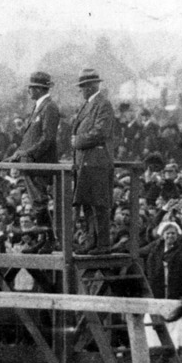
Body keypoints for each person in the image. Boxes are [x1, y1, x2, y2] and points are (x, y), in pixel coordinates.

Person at [69, 67, 116, 253]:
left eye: (83, 86)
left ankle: (103, 243)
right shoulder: (88, 105)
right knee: (88, 203)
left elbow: (100, 132)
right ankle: (92, 241)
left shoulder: (103, 104)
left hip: (96, 161)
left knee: (99, 204)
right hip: (85, 162)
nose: (81, 90)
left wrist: (78, 141)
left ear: (90, 87)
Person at [5, 71, 61, 210]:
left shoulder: (49, 107)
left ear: (39, 89)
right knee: (37, 202)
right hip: (32, 163)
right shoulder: (37, 107)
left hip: (40, 163)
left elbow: (47, 138)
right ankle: (44, 230)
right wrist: (19, 153)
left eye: (30, 87)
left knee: (40, 202)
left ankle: (47, 231)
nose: (28, 90)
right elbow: (31, 137)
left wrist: (27, 153)